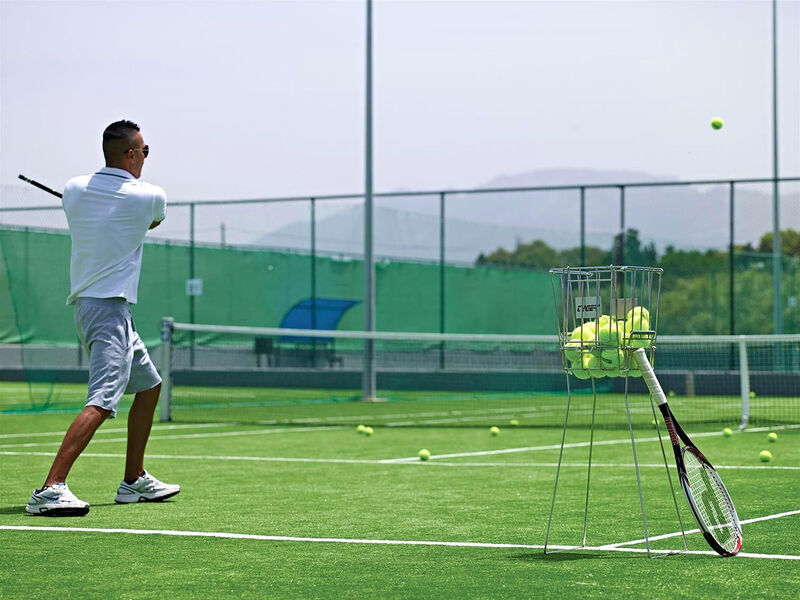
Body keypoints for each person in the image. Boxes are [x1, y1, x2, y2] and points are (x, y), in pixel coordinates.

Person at [26, 119, 180, 516]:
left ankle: (134, 480)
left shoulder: (74, 190)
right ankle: (50, 487)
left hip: (100, 309)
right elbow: (153, 221)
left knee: (149, 385)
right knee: (101, 402)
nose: (146, 157)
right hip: (107, 311)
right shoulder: (150, 196)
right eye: (144, 151)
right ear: (130, 154)